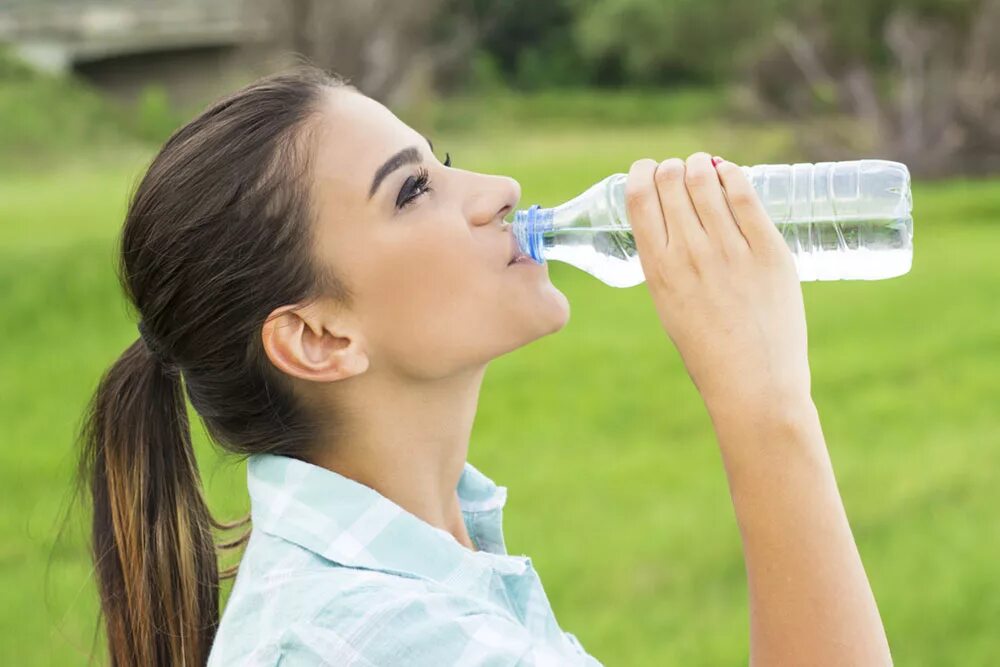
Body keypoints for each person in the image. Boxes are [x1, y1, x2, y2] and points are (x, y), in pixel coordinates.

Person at [77, 66, 892, 666]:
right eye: (410, 191)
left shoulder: (427, 575)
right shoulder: (380, 641)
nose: (499, 189)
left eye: (442, 160)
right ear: (318, 338)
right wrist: (764, 404)